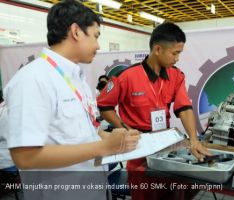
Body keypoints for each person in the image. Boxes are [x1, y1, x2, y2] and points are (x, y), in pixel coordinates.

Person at [3, 1, 140, 200]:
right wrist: (105, 147)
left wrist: (110, 138)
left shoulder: (76, 79)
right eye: (95, 36)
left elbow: (78, 132)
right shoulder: (33, 79)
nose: (98, 45)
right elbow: (25, 156)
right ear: (76, 31)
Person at [97, 22, 210, 199]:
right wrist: (125, 129)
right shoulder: (127, 77)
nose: (177, 58)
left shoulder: (176, 76)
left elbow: (184, 108)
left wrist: (194, 140)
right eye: (175, 53)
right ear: (158, 49)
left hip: (165, 146)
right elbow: (105, 106)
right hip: (139, 148)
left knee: (171, 193)